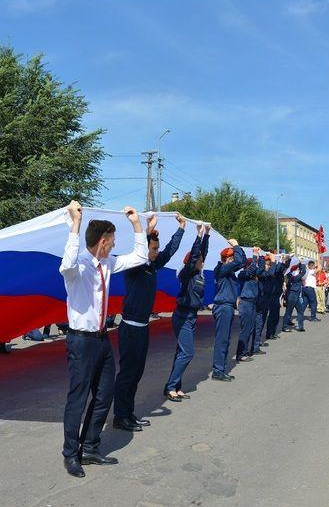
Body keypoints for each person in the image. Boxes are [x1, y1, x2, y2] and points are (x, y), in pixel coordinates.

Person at [58, 201, 147, 478]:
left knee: (104, 394)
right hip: (81, 342)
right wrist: (75, 224)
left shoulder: (108, 263)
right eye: (113, 240)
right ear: (104, 241)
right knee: (78, 398)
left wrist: (136, 224)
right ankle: (71, 454)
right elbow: (67, 263)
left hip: (101, 339)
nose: (114, 245)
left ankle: (90, 448)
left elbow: (140, 257)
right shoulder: (77, 267)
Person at [113, 212, 185, 430]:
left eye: (155, 249)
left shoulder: (152, 266)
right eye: (153, 249)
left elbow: (169, 252)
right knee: (127, 374)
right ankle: (120, 417)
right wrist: (145, 230)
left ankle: (128, 413)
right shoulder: (134, 267)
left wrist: (181, 229)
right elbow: (140, 250)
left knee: (137, 372)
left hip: (143, 328)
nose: (156, 252)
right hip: (130, 328)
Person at [165, 223, 209, 400]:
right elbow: (195, 257)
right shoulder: (187, 274)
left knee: (181, 352)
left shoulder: (198, 274)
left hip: (191, 317)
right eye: (198, 260)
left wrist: (207, 234)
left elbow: (201, 253)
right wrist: (198, 236)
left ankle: (175, 386)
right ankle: (170, 387)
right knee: (188, 352)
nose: (202, 261)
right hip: (182, 316)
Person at [209, 237, 245, 382]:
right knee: (222, 340)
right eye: (232, 256)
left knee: (225, 339)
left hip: (227, 307)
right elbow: (238, 261)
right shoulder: (221, 269)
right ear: (227, 258)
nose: (234, 259)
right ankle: (218, 370)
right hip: (223, 307)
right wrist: (236, 245)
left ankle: (220, 369)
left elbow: (241, 262)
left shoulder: (227, 271)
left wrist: (238, 248)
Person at [235, 248, 261, 361]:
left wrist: (260, 258)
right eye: (251, 265)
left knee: (250, 329)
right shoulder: (242, 274)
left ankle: (245, 351)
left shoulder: (253, 277)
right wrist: (255, 255)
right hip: (245, 303)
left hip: (252, 303)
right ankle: (240, 354)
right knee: (245, 329)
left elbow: (259, 269)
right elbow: (252, 269)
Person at [265, 254, 290, 340]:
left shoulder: (278, 269)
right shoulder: (274, 270)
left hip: (277, 294)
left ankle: (273, 332)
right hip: (273, 294)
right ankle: (269, 333)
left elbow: (285, 267)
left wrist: (288, 259)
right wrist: (281, 261)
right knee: (272, 315)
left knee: (276, 315)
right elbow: (279, 268)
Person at [282, 258, 307, 332]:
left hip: (294, 296)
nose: (298, 270)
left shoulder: (290, 275)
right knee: (289, 312)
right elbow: (304, 272)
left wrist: (299, 263)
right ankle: (285, 326)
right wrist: (301, 263)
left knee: (300, 311)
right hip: (292, 296)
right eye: (297, 269)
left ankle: (301, 327)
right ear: (295, 270)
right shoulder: (295, 277)